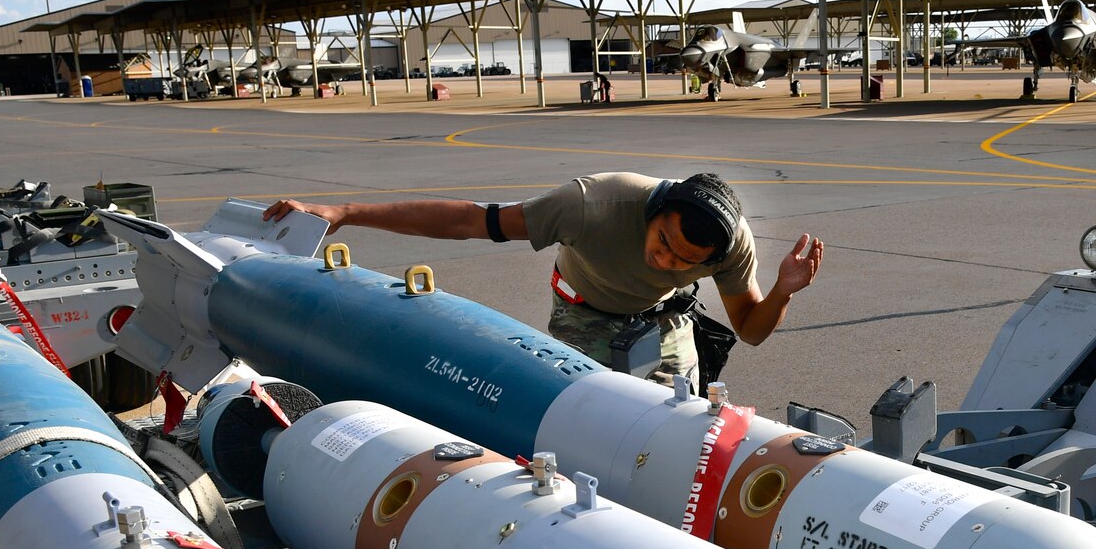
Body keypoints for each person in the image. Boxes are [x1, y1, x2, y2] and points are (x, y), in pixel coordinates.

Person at [263, 172, 823, 386]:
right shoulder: (590, 204)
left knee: (677, 436)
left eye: (685, 261)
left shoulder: (731, 243)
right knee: (574, 422)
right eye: (663, 244)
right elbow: (468, 220)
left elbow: (750, 329)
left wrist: (781, 291)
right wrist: (344, 211)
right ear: (652, 212)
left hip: (664, 322)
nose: (667, 262)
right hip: (582, 315)